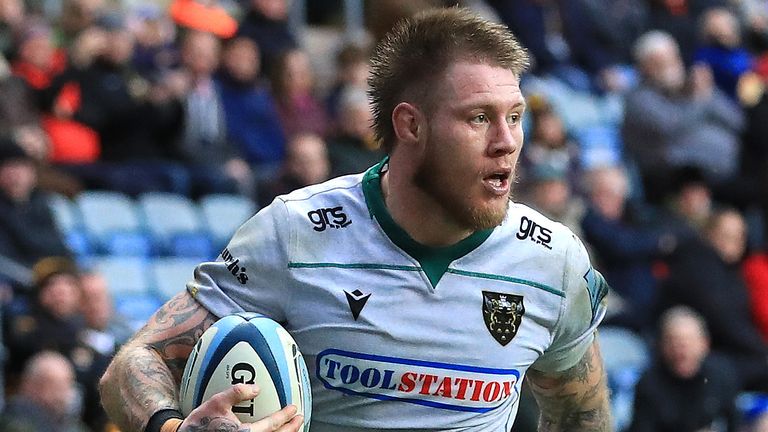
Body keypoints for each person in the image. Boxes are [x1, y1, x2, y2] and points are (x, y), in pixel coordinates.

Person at [100, 8, 611, 432]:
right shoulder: (295, 232)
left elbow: (581, 414)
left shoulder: (551, 259)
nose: (508, 140)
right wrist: (169, 428)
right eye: (479, 117)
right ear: (411, 124)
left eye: (515, 116)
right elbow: (133, 364)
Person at [628, 306, 740, 432]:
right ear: (662, 346)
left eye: (689, 342)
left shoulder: (721, 373)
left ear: (704, 344)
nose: (682, 350)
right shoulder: (649, 384)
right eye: (674, 342)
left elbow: (734, 422)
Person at [0, 351, 87, 432]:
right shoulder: (16, 421)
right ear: (32, 385)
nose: (63, 396)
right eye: (58, 387)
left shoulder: (60, 420)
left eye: (67, 387)